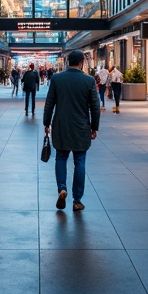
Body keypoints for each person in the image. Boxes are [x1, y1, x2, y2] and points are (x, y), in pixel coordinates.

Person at [43, 50, 101, 211]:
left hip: (61, 126)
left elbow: (50, 103)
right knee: (80, 162)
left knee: (61, 158)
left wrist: (46, 123)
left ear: (67, 62)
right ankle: (77, 200)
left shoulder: (57, 78)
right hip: (81, 127)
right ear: (82, 62)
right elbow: (95, 107)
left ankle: (62, 188)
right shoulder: (88, 81)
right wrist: (94, 127)